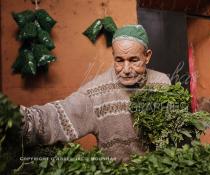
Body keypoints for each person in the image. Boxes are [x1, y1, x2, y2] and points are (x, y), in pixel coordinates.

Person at [20, 25, 171, 162]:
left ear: (147, 56)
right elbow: (61, 115)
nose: (126, 69)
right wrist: (22, 119)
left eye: (133, 60)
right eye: (119, 60)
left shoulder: (161, 83)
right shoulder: (95, 92)